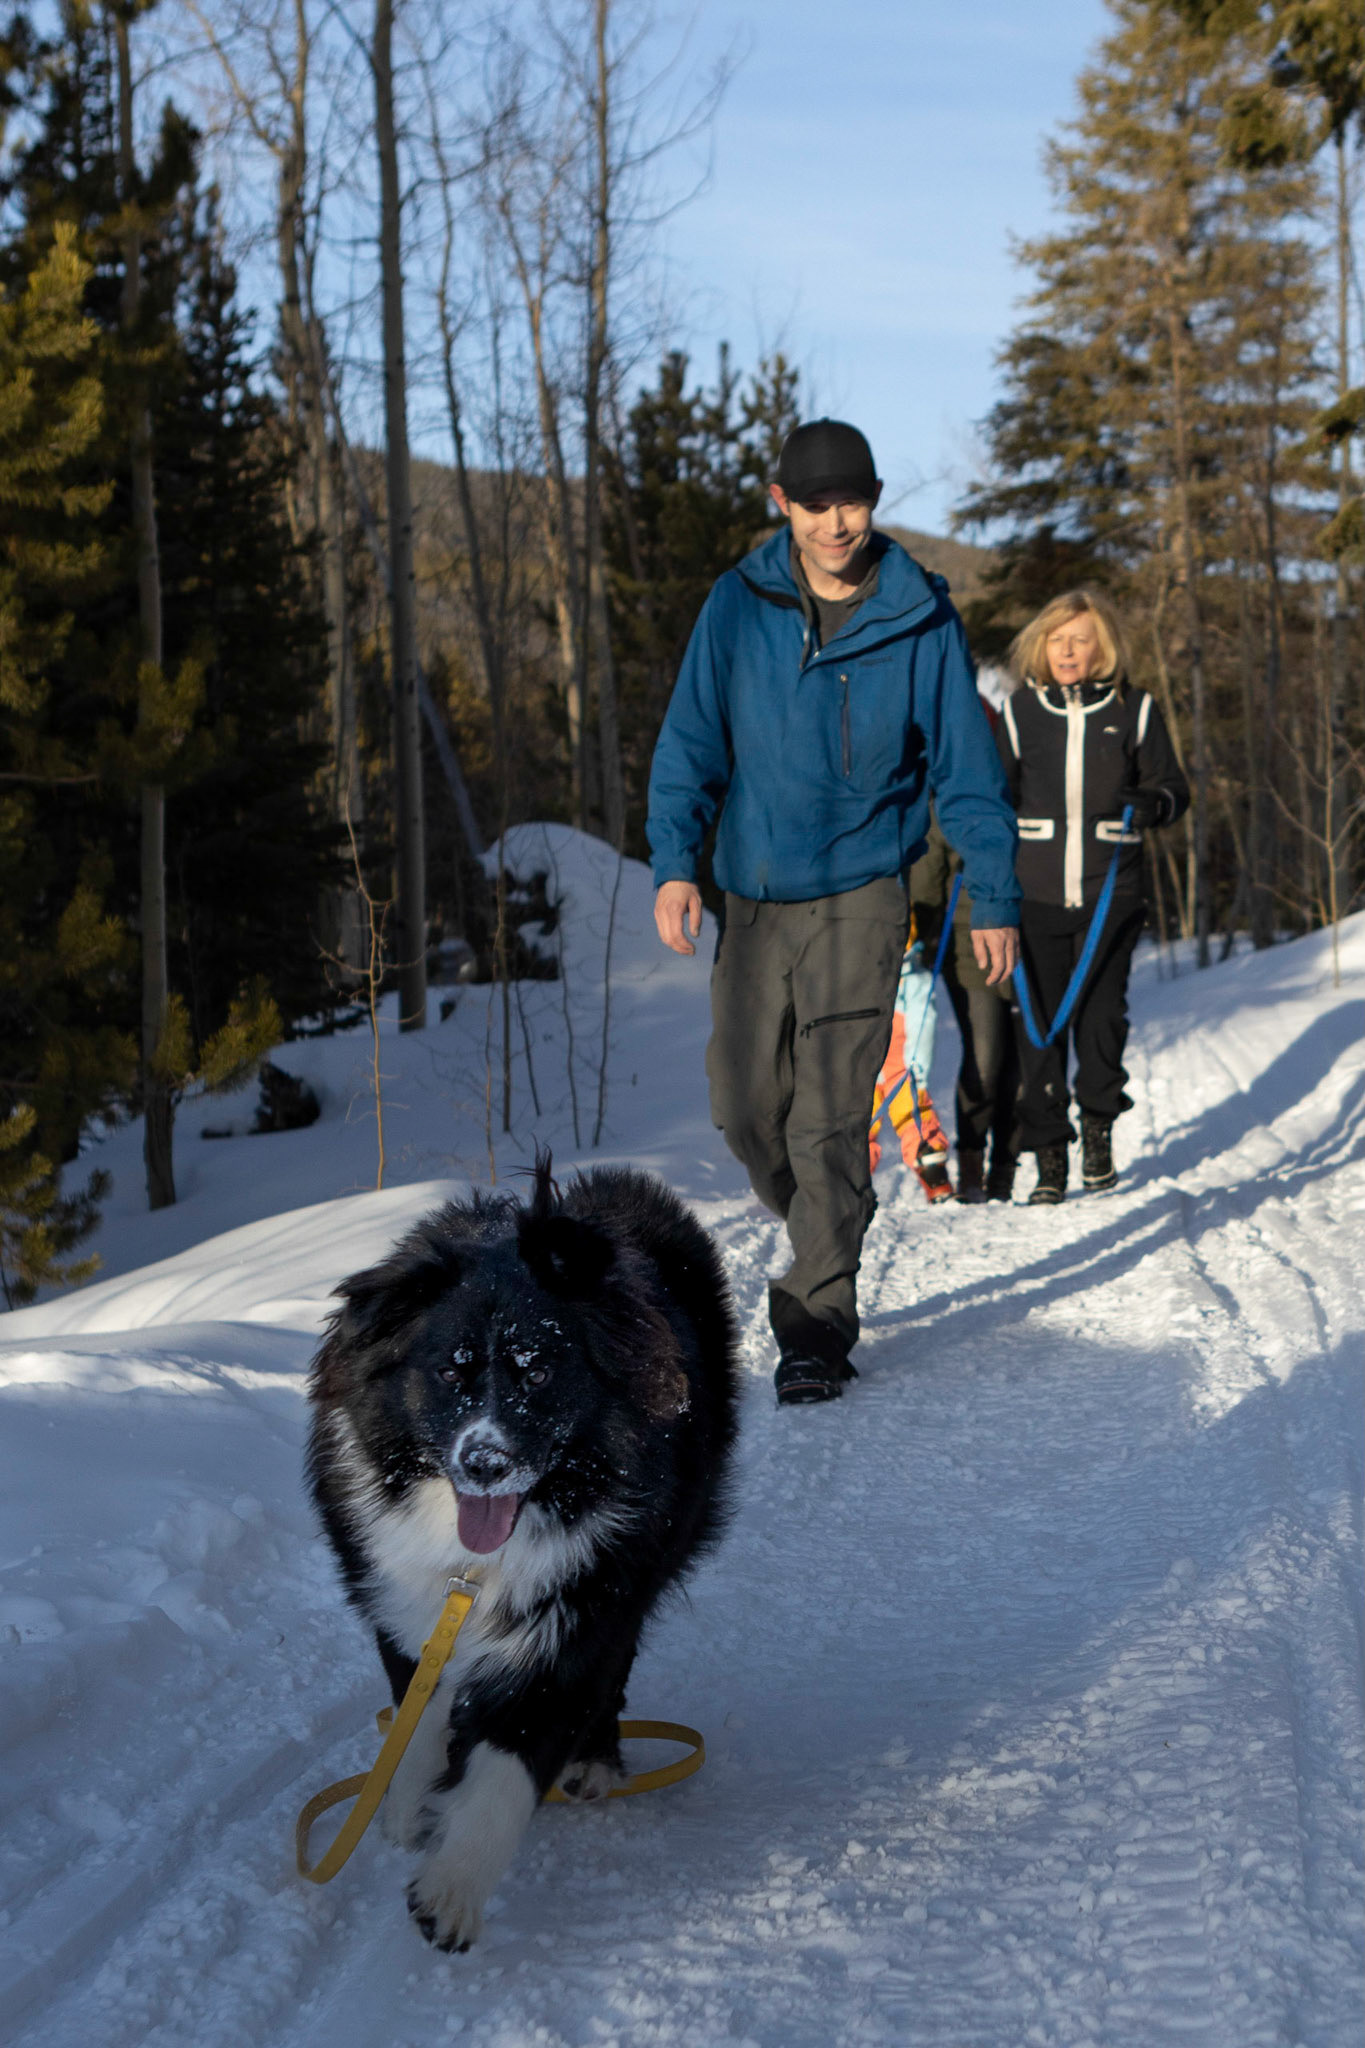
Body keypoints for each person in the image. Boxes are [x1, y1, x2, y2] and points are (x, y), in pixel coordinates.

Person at [646, 417, 1020, 1405]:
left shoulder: (920, 617)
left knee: (830, 1112)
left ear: (875, 498)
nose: (837, 522)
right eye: (816, 504)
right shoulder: (738, 604)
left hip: (864, 892)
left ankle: (816, 1319)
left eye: (853, 500)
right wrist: (676, 863)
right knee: (741, 1102)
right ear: (784, 505)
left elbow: (967, 771)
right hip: (755, 894)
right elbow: (691, 739)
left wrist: (990, 891)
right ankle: (826, 1216)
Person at [995, 589, 1189, 1204]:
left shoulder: (1135, 709)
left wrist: (1153, 802)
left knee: (1103, 1023)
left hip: (1111, 893)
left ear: (1102, 646)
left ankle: (1098, 1134)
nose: (1068, 650)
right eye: (1057, 639)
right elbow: (992, 800)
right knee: (1039, 1028)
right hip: (1036, 896)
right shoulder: (1020, 712)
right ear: (1041, 645)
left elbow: (1174, 789)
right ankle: (1050, 1158)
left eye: (1081, 639)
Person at [909, 812, 1020, 1202]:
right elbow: (929, 863)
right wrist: (923, 926)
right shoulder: (960, 777)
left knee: (1022, 1061)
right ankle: (972, 1162)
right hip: (969, 939)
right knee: (986, 1058)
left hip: (1032, 932)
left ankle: (1006, 1168)